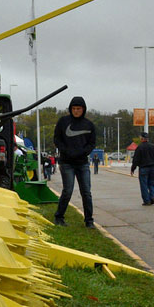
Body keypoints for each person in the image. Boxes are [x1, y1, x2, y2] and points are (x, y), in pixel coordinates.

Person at [52, 95, 96, 227]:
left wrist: (82, 152)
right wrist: (66, 151)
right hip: (66, 162)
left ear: (83, 109)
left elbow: (92, 143)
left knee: (86, 192)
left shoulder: (89, 125)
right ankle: (59, 217)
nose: (76, 111)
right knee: (68, 190)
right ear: (70, 109)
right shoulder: (63, 121)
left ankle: (89, 221)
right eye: (74, 108)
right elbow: (57, 139)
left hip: (82, 163)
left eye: (79, 108)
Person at [129, 132, 154, 205]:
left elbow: (136, 160)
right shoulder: (153, 147)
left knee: (143, 184)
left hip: (143, 168)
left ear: (141, 138)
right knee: (151, 183)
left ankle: (147, 200)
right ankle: (153, 196)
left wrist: (133, 169)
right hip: (153, 168)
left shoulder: (139, 148)